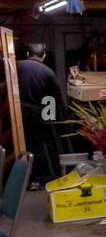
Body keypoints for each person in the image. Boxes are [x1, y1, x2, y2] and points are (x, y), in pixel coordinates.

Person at [17, 43, 64, 188]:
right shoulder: (48, 72)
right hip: (37, 115)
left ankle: (12, 178)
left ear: (27, 54)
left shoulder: (14, 66)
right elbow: (54, 98)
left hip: (14, 113)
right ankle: (37, 180)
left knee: (15, 145)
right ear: (44, 56)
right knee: (37, 147)